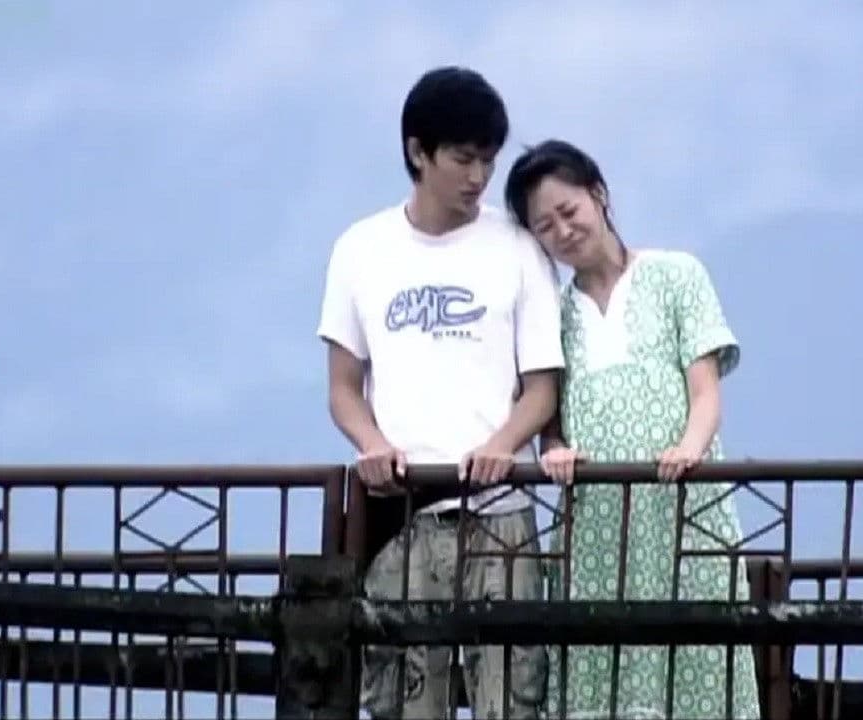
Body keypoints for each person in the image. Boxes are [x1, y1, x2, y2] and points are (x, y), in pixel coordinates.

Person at [316, 67, 564, 720]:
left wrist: (503, 444)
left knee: (512, 699)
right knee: (400, 700)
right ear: (417, 152)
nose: (478, 177)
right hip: (401, 514)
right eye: (462, 158)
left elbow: (542, 387)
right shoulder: (361, 249)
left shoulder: (518, 247)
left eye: (488, 160)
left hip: (501, 514)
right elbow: (343, 387)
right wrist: (371, 444)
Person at [502, 139, 763, 720]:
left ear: (598, 194)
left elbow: (705, 392)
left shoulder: (676, 274)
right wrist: (554, 449)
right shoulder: (551, 311)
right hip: (595, 524)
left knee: (700, 657)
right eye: (544, 226)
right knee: (599, 665)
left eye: (568, 211)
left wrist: (688, 450)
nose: (563, 231)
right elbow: (550, 417)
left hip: (684, 508)